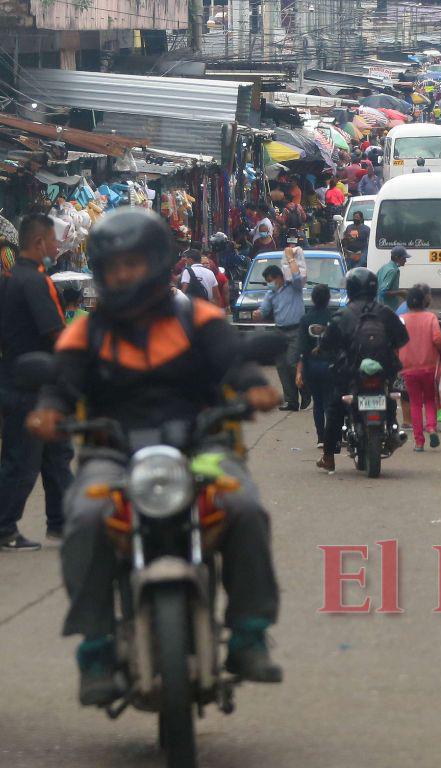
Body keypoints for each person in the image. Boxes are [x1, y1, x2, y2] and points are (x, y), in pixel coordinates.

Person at [26, 207, 283, 703]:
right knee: (85, 516)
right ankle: (96, 645)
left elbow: (234, 362)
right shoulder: (86, 331)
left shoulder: (199, 317)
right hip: (114, 455)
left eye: (134, 263)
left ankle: (250, 633)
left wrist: (254, 388)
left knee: (245, 508)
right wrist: (49, 411)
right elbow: (61, 383)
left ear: (158, 262)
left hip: (202, 450)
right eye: (115, 266)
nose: (124, 274)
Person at [0, 213, 74, 550]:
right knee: (22, 461)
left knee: (58, 454)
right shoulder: (34, 281)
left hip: (38, 383)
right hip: (27, 385)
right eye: (55, 241)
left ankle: (63, 523)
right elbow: (53, 332)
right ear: (39, 243)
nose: (59, 247)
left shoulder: (15, 278)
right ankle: (4, 528)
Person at [316, 268, 409, 472]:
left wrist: (324, 349)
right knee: (389, 395)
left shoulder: (342, 314)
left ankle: (328, 456)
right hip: (383, 370)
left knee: (335, 409)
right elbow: (403, 338)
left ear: (350, 289)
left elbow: (327, 342)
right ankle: (393, 428)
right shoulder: (385, 312)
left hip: (350, 372)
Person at [253, 254, 309, 411]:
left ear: (280, 277)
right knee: (281, 365)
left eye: (271, 280)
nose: (269, 284)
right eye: (267, 281)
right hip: (279, 331)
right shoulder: (271, 294)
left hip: (296, 330)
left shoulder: (294, 287)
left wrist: (291, 259)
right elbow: (264, 310)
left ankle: (305, 390)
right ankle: (291, 401)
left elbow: (297, 276)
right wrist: (258, 314)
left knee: (292, 362)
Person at [399, 284, 441, 451]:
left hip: (408, 367)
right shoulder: (430, 317)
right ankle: (431, 427)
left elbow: (396, 343)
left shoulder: (402, 319)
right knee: (430, 399)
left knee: (415, 403)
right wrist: (440, 352)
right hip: (429, 366)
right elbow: (438, 339)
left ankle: (419, 442)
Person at [296, 284, 334, 448]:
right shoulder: (333, 318)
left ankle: (321, 438)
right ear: (328, 299)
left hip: (311, 366)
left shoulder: (305, 319)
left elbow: (302, 348)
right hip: (330, 366)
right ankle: (332, 435)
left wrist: (300, 370)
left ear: (312, 299)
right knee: (330, 403)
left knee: (317, 403)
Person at [376, 246, 408, 311]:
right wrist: (400, 293)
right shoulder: (393, 271)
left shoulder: (384, 267)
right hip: (388, 309)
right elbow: (383, 292)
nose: (405, 260)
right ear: (397, 258)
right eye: (404, 258)